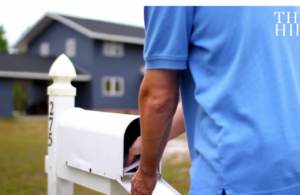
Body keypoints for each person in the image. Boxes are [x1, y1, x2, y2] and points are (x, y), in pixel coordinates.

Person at [126, 6, 300, 195]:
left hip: (236, 173)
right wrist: (145, 142)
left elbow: (158, 98)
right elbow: (216, 95)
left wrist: (146, 171)